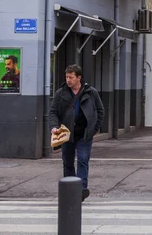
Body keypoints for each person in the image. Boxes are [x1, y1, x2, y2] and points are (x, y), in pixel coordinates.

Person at [49, 64, 104, 202]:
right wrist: (55, 127)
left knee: (83, 160)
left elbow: (100, 110)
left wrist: (94, 128)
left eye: (71, 77)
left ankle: (81, 190)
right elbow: (53, 112)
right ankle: (69, 189)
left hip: (84, 133)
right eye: (67, 77)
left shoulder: (91, 92)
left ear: (78, 77)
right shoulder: (61, 93)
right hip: (66, 133)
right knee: (67, 162)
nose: (68, 80)